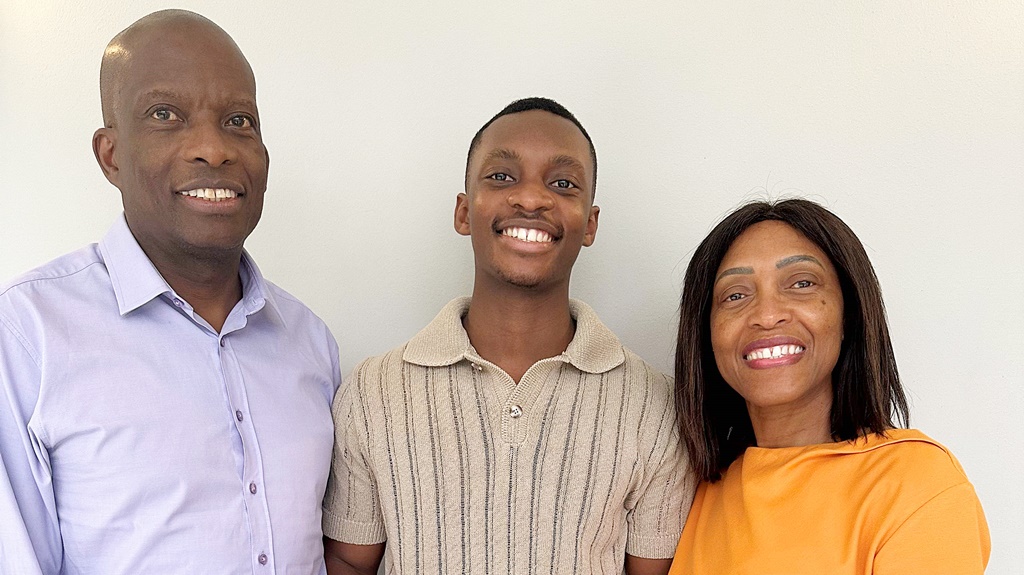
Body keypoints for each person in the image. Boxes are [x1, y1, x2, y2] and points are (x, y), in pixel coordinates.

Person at [0, 10, 340, 574]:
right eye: (166, 115)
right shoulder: (28, 334)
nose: (214, 148)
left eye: (239, 120)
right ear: (110, 154)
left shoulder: (310, 344)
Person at [321, 97, 693, 575]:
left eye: (563, 183)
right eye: (501, 177)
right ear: (462, 212)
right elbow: (349, 563)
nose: (532, 199)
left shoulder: (655, 406)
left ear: (590, 224)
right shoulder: (372, 393)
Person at [668, 198, 990, 574]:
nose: (767, 315)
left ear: (848, 314)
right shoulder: (689, 490)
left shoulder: (916, 484)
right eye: (735, 295)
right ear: (705, 332)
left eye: (802, 283)